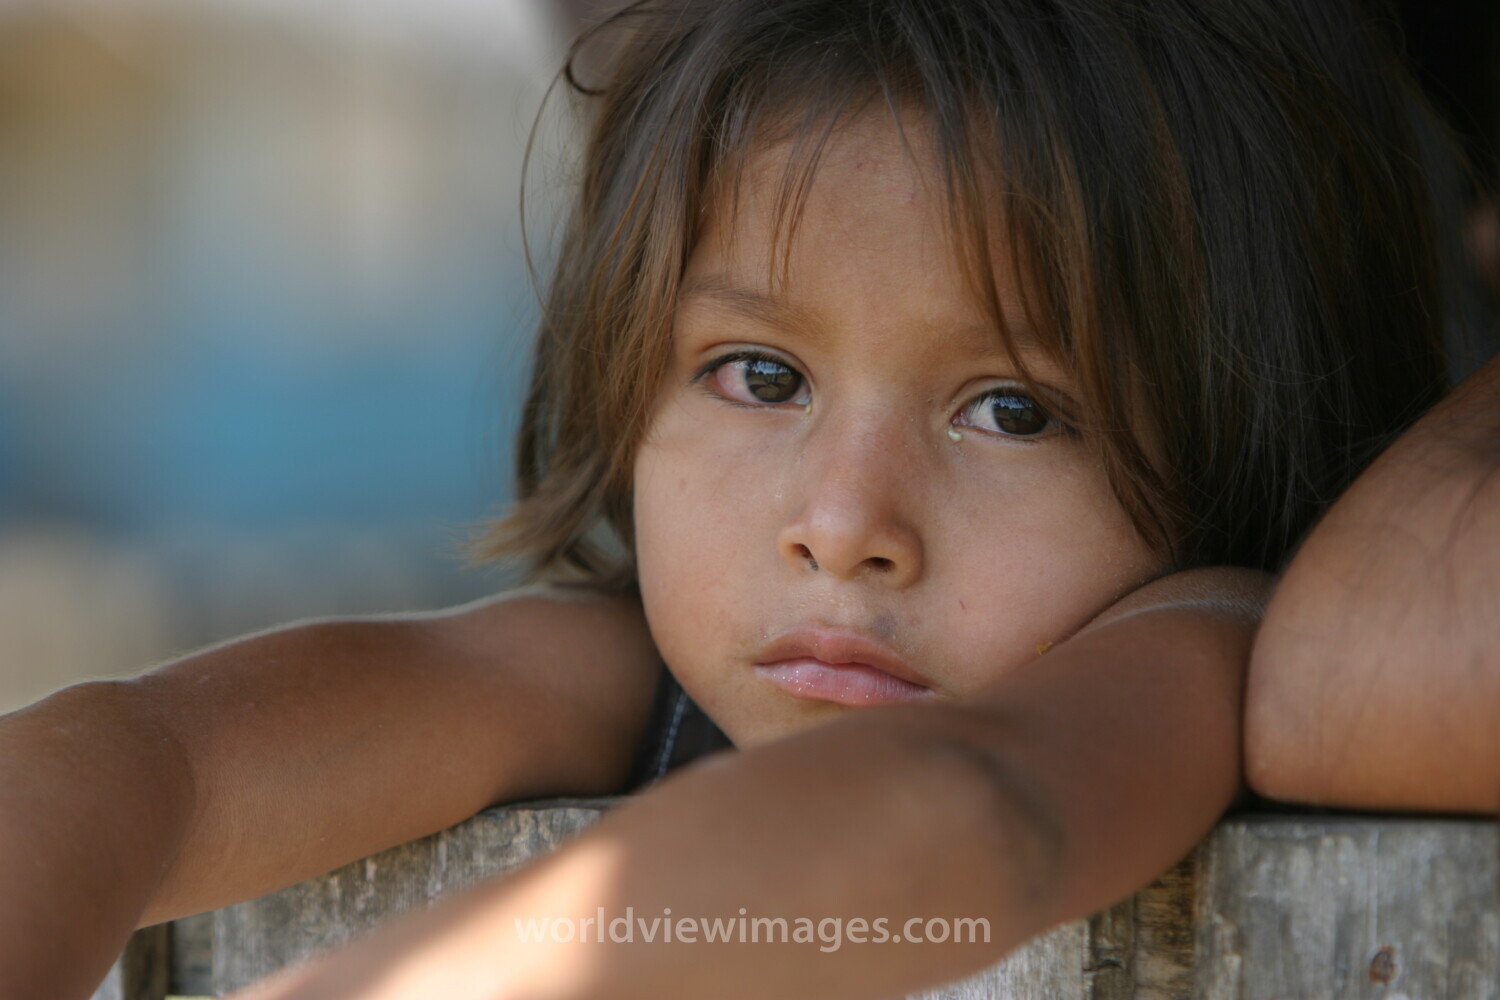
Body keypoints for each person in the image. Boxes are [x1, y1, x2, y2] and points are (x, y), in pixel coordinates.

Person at [0, 1, 1484, 997]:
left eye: (1014, 410)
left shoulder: (1200, 646)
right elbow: (157, 762)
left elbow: (984, 800)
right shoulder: (641, 658)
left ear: (1247, 429)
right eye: (760, 377)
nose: (843, 525)